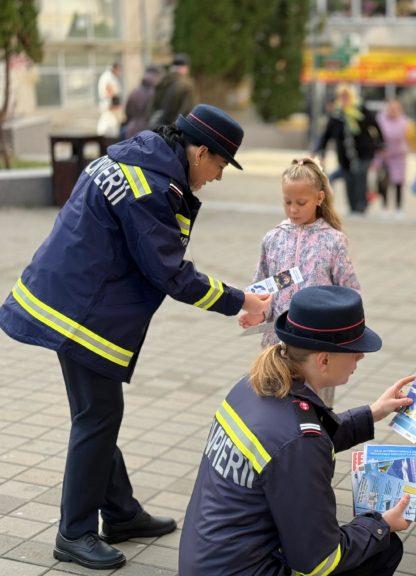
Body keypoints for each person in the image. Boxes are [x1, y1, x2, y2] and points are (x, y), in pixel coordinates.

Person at [0, 104, 272, 570]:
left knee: (98, 413)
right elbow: (169, 271)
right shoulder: (147, 186)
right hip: (79, 312)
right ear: (200, 151)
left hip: (70, 295)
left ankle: (121, 513)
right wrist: (239, 300)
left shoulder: (139, 159)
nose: (220, 176)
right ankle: (75, 532)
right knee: (97, 415)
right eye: (221, 164)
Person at [179, 285, 413, 576]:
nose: (360, 359)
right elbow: (320, 561)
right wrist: (381, 524)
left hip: (208, 559)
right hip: (247, 569)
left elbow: (290, 447)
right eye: (354, 351)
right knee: (381, 548)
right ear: (323, 360)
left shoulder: (252, 385)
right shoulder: (299, 439)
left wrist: (374, 412)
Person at [246, 157, 361, 407]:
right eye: (287, 202)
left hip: (320, 351)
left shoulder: (333, 241)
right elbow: (262, 289)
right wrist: (257, 312)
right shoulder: (273, 238)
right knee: (275, 409)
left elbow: (350, 292)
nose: (293, 210)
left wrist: (348, 339)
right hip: (276, 348)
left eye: (301, 203)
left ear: (319, 198)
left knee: (316, 413)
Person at [314, 85, 383, 214]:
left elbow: (376, 126)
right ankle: (353, 206)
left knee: (360, 176)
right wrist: (319, 150)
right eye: (342, 96)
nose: (344, 99)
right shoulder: (336, 115)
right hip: (344, 155)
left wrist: (380, 144)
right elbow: (326, 135)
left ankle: (362, 204)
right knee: (349, 179)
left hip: (364, 152)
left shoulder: (361, 110)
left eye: (347, 96)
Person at [374, 98, 409, 217]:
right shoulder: (380, 119)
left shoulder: (404, 121)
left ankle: (398, 208)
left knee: (398, 182)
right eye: (391, 108)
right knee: (383, 182)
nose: (392, 110)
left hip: (399, 155)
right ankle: (384, 207)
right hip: (383, 155)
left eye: (395, 108)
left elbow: (405, 136)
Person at [148, 53, 195, 129]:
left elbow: (152, 107)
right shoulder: (187, 85)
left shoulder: (162, 81)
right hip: (174, 132)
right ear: (185, 68)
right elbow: (187, 112)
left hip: (158, 129)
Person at [123, 65, 162, 139]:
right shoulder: (156, 93)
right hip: (149, 132)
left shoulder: (134, 92)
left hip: (132, 130)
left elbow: (127, 113)